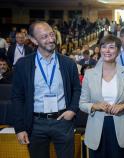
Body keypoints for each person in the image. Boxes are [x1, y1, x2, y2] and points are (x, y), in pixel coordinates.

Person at [12, 21, 81, 158]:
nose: (50, 39)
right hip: (35, 123)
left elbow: (77, 90)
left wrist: (72, 110)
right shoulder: (23, 65)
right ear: (33, 40)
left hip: (63, 121)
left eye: (51, 34)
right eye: (44, 37)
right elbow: (17, 98)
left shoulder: (68, 63)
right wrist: (20, 128)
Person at [79, 35, 124, 158]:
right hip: (96, 127)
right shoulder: (89, 74)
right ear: (100, 49)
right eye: (104, 47)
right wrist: (94, 106)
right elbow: (82, 103)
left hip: (121, 126)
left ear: (118, 50)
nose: (107, 50)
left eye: (111, 47)